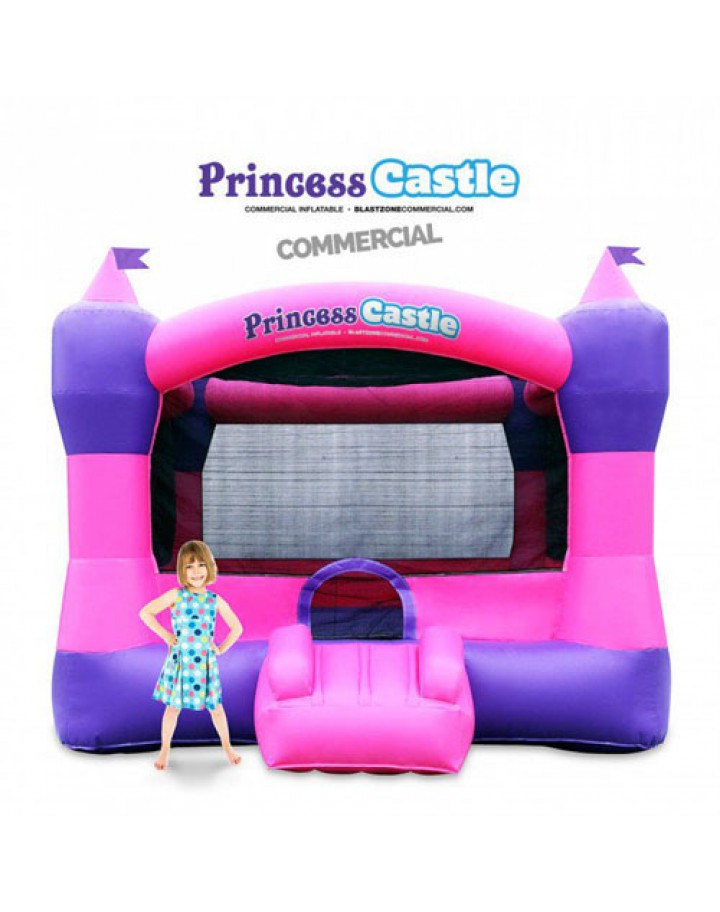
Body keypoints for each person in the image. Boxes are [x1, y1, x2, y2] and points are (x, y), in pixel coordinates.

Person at [139, 540, 243, 770]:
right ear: (182, 571)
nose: (196, 571)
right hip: (181, 663)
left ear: (210, 567)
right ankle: (164, 749)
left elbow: (237, 628)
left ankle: (227, 747)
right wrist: (166, 636)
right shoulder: (176, 596)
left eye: (201, 565)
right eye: (189, 566)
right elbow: (146, 613)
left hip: (205, 664)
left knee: (216, 708)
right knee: (172, 708)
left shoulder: (214, 600)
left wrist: (221, 648)